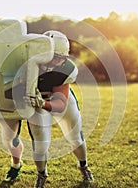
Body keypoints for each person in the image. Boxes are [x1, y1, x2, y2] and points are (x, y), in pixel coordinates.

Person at [23, 30, 94, 187]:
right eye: (54, 56)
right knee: (40, 144)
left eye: (60, 58)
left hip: (58, 101)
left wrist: (43, 103)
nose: (56, 62)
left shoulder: (65, 69)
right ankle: (41, 174)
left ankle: (84, 166)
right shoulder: (26, 61)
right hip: (36, 102)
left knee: (75, 138)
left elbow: (60, 105)